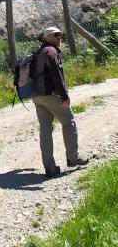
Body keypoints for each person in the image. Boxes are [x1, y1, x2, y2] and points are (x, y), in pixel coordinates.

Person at [32, 26, 89, 178]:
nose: (59, 37)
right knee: (68, 121)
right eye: (56, 35)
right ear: (48, 37)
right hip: (50, 95)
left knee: (45, 129)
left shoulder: (39, 52)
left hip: (36, 96)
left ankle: (50, 168)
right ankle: (73, 157)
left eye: (60, 34)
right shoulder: (51, 51)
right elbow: (57, 75)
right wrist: (64, 96)